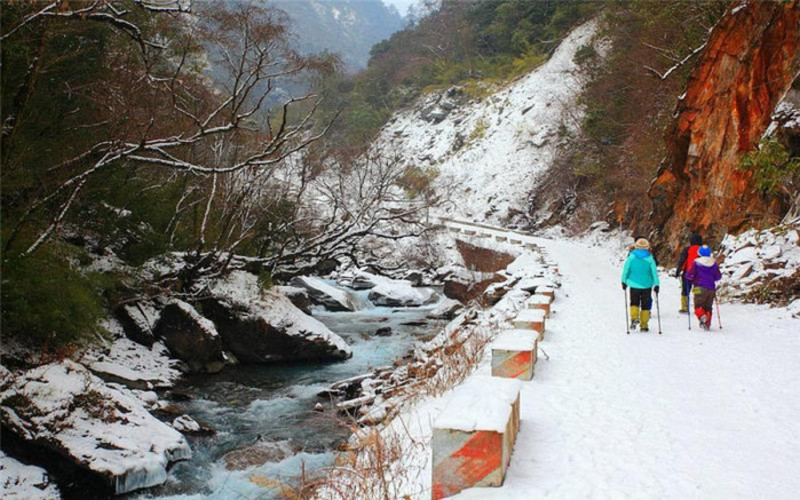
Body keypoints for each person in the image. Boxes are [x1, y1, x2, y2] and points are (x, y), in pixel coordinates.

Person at [621, 238, 660, 332]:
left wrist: (623, 281)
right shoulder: (650, 258)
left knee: (634, 302)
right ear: (647, 247)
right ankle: (644, 325)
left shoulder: (631, 257)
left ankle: (634, 318)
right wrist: (657, 284)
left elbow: (626, 269)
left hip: (633, 284)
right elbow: (654, 272)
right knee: (645, 305)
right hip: (647, 285)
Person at [686, 245, 722, 330]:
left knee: (698, 306)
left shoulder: (696, 263)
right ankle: (707, 323)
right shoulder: (714, 263)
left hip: (698, 287)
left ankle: (702, 316)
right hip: (711, 288)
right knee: (708, 307)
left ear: (699, 253)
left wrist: (689, 277)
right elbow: (718, 276)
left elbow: (690, 275)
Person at [675, 233, 703, 313]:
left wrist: (678, 271)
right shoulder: (702, 250)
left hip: (688, 273)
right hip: (699, 274)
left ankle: (685, 307)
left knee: (685, 290)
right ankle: (698, 306)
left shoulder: (687, 249)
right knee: (697, 289)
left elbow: (682, 261)